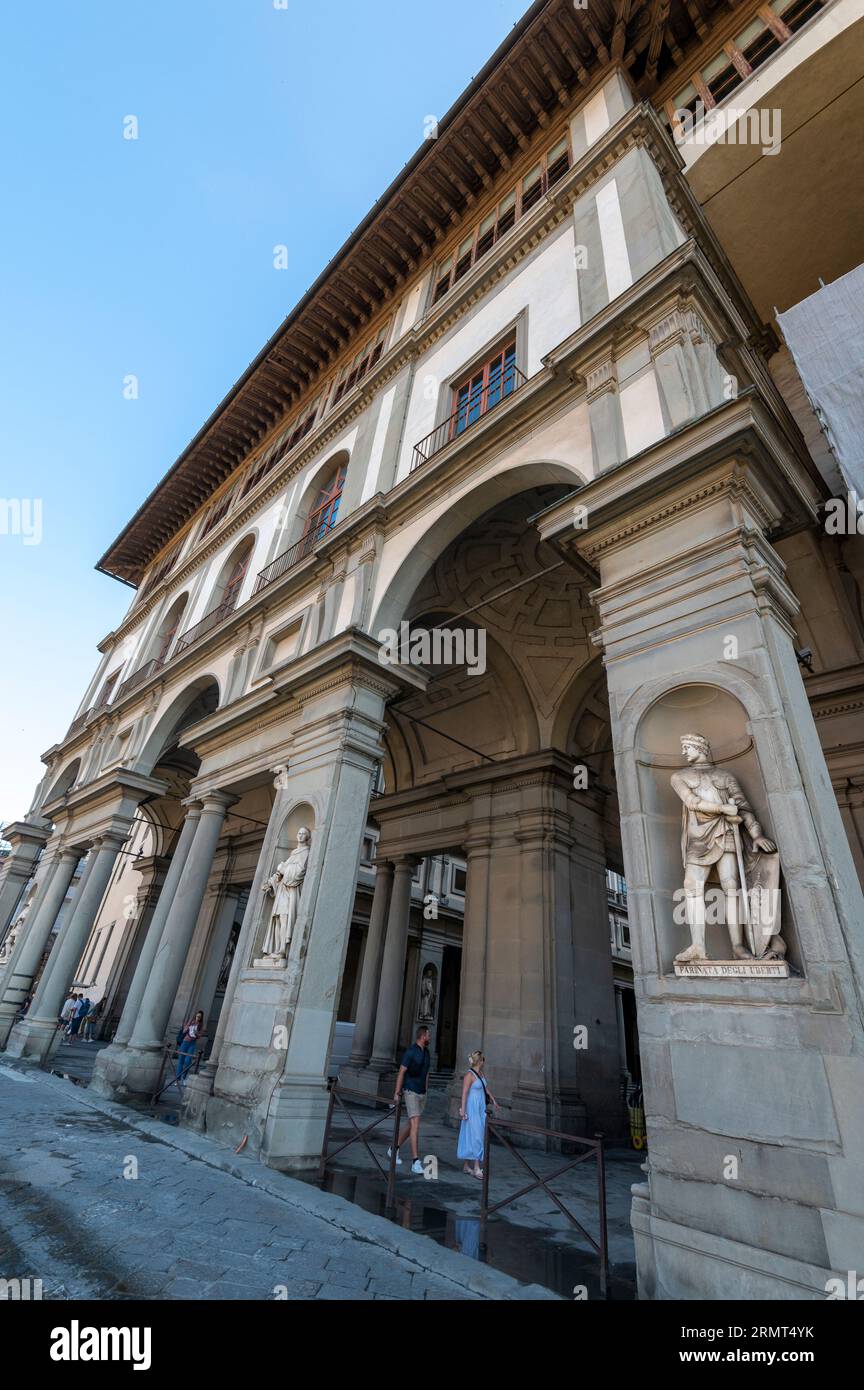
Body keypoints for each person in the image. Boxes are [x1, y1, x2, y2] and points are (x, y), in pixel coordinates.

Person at [388, 1025, 431, 1176]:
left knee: (411, 1125)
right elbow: (401, 1072)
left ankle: (393, 1148)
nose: (430, 1037)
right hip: (410, 1090)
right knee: (415, 1125)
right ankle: (415, 1161)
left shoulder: (427, 1052)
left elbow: (426, 1073)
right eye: (428, 1035)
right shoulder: (411, 1051)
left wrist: (426, 1090)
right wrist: (396, 1092)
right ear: (423, 1036)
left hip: (422, 1093)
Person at [457, 1051, 497, 1179]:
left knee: (472, 1134)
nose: (484, 1062)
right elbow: (464, 1093)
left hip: (481, 1107)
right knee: (477, 1135)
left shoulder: (481, 1073)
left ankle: (466, 1166)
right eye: (483, 1059)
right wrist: (463, 1109)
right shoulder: (469, 1075)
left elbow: (485, 1088)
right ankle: (476, 1167)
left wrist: (493, 1099)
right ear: (480, 1061)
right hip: (472, 1107)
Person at [176, 1010, 205, 1082]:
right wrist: (189, 1025)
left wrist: (196, 1033)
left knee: (188, 1061)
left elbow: (199, 1036)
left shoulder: (200, 1025)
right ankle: (178, 1079)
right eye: (197, 1016)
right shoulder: (191, 1021)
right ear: (195, 1016)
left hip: (192, 1043)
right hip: (185, 1042)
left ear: (201, 1018)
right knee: (181, 1060)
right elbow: (184, 1031)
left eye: (199, 1017)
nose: (198, 1018)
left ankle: (184, 1077)